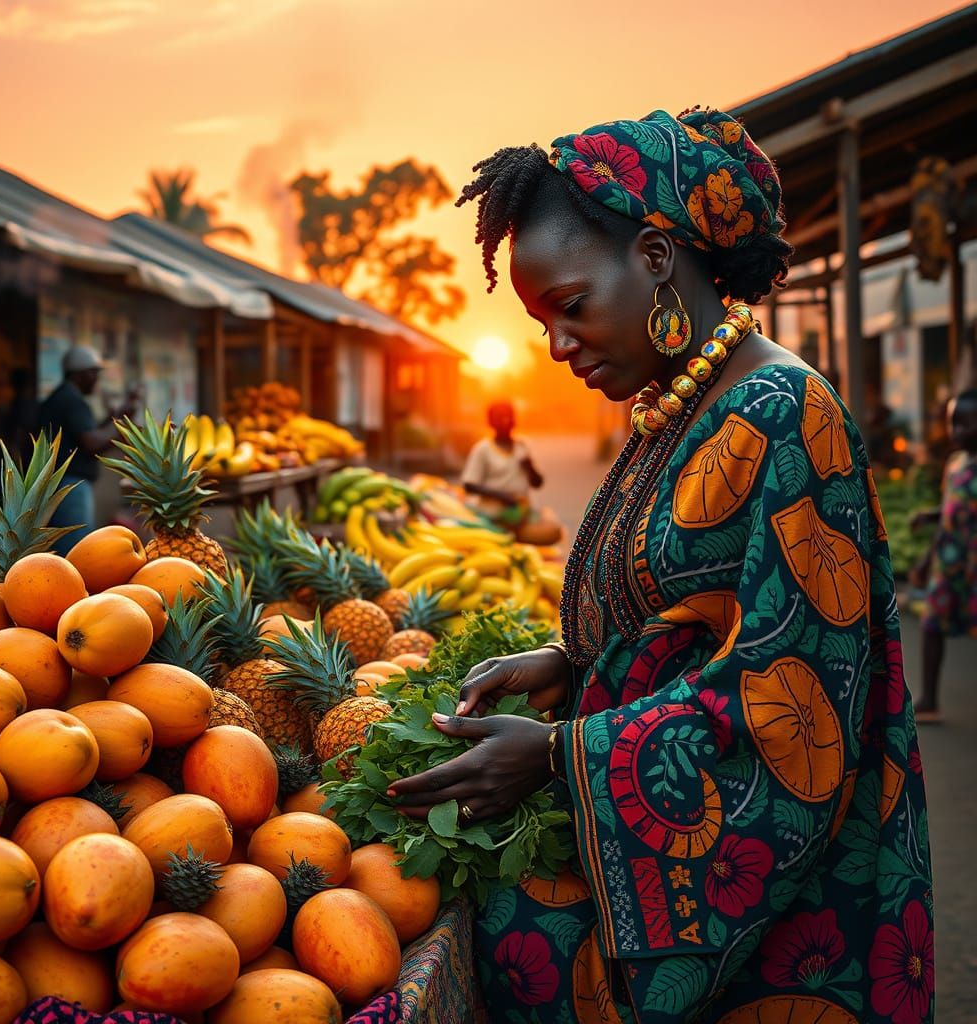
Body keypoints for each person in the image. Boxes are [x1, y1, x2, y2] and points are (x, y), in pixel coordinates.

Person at [388, 109, 933, 1022]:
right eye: (537, 322)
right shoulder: (681, 409)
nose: (557, 347)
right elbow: (685, 615)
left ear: (651, 257)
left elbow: (793, 701)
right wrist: (568, 663)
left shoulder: (783, 412)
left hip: (779, 931)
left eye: (570, 306)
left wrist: (563, 756)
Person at [909, 389, 977, 722]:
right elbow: (954, 509)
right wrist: (932, 518)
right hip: (950, 559)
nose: (957, 432)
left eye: (966, 424)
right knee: (932, 624)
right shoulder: (955, 463)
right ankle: (929, 697)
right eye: (954, 423)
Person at [38, 345, 138, 555]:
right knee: (77, 552)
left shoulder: (61, 398)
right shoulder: (72, 401)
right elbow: (92, 442)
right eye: (93, 373)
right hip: (70, 485)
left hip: (60, 484)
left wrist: (117, 418)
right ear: (80, 374)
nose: (96, 379)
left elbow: (90, 433)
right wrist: (121, 426)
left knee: (67, 549)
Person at [461, 400, 562, 544]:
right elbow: (469, 485)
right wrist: (502, 496)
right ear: (490, 422)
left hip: (521, 516)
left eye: (509, 416)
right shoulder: (482, 449)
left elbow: (538, 483)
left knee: (554, 531)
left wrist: (530, 467)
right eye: (500, 417)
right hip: (492, 517)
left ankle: (513, 538)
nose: (506, 421)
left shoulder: (522, 446)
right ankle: (505, 538)